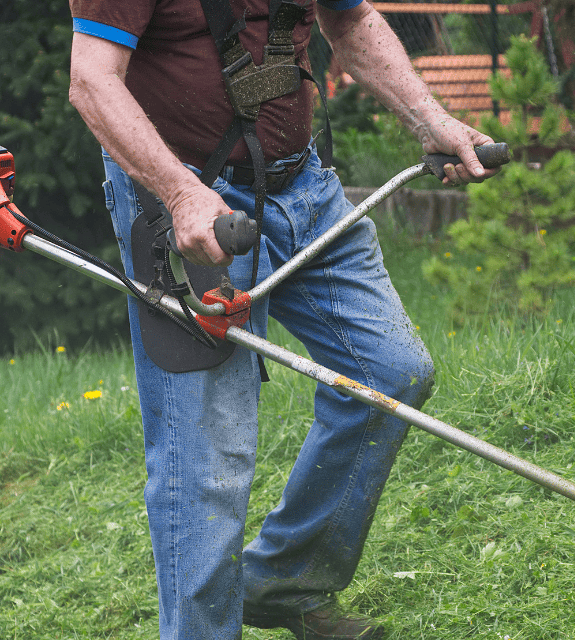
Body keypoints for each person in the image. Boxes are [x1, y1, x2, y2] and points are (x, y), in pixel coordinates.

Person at [67, 1, 498, 639]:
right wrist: (181, 194)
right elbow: (92, 81)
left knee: (388, 373)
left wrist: (430, 118)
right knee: (206, 448)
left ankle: (282, 581)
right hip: (186, 199)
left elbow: (350, 21)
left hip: (303, 188)